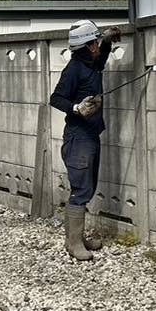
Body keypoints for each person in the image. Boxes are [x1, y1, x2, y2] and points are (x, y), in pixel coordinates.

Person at [50, 18, 122, 260]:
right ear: (87, 46)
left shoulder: (90, 63)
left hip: (91, 134)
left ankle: (78, 238)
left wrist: (108, 42)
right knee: (81, 190)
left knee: (87, 187)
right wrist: (76, 108)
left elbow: (100, 61)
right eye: (95, 42)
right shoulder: (73, 70)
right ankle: (73, 244)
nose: (96, 47)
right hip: (77, 137)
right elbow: (55, 98)